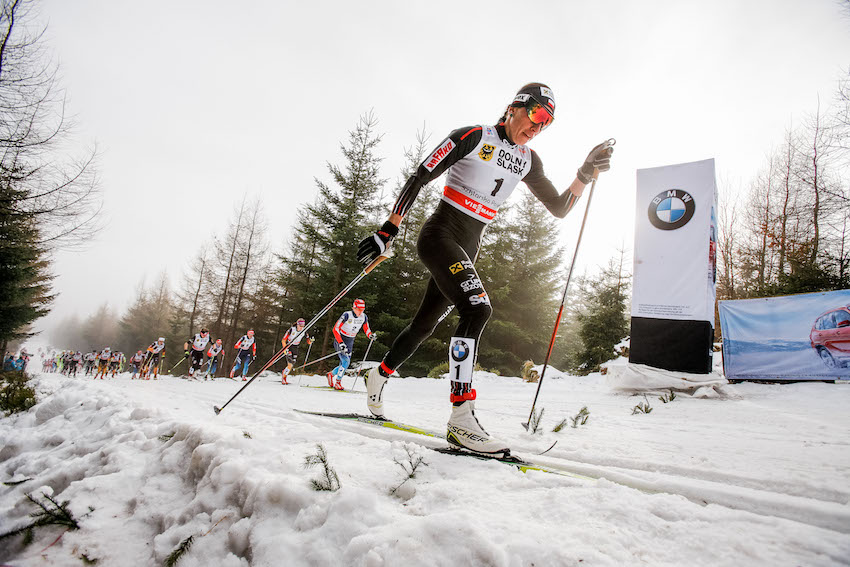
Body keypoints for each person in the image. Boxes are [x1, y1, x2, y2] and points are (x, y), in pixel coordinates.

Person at [356, 83, 613, 455]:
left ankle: (378, 375)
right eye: (536, 114)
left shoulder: (528, 159)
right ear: (513, 108)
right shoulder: (474, 136)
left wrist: (585, 173)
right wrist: (389, 229)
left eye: (547, 122)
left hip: (467, 247)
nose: (538, 126)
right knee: (477, 308)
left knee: (424, 325)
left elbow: (559, 208)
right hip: (440, 235)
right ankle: (461, 418)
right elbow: (421, 175)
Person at [327, 299, 375, 390]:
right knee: (346, 362)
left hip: (350, 340)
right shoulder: (347, 315)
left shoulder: (364, 317)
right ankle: (338, 382)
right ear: (354, 308)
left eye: (362, 309)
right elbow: (335, 329)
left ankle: (331, 374)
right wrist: (341, 343)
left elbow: (366, 328)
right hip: (340, 339)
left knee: (344, 363)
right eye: (359, 309)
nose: (360, 312)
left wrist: (370, 335)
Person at [280, 318, 313, 385]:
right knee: (290, 364)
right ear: (297, 325)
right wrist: (285, 349)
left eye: (302, 326)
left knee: (292, 363)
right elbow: (283, 340)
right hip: (289, 346)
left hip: (295, 347)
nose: (301, 328)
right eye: (300, 326)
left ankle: (284, 372)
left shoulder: (304, 331)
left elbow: (308, 341)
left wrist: (311, 341)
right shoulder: (291, 330)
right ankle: (284, 377)